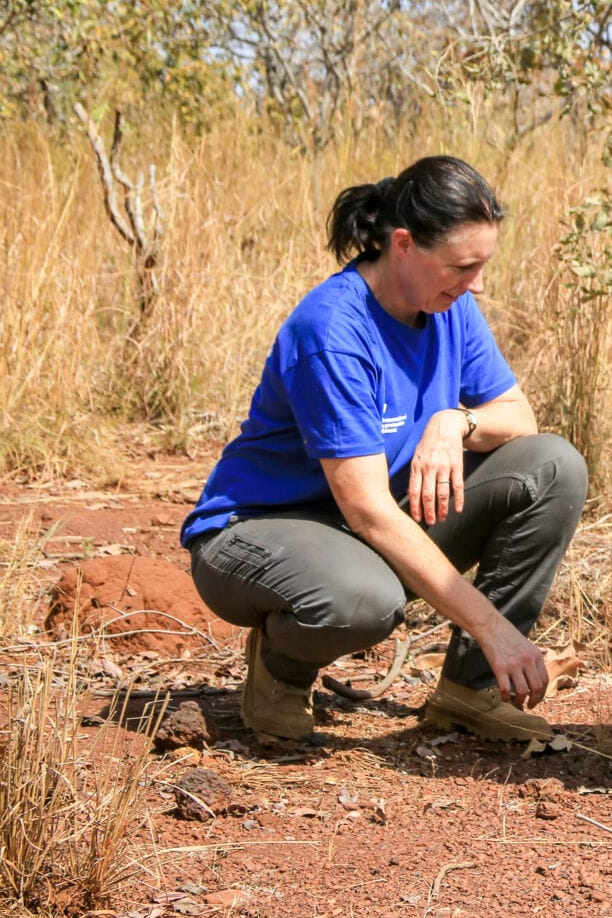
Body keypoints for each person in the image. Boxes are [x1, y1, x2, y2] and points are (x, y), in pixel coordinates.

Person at [182, 155, 587, 742]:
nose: (477, 284)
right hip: (258, 532)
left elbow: (519, 418)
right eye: (462, 266)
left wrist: (453, 423)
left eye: (482, 265)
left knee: (554, 466)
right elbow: (368, 510)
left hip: (365, 529)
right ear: (403, 244)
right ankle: (280, 668)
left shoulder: (452, 307)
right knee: (363, 599)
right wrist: (494, 628)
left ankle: (471, 691)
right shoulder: (333, 331)